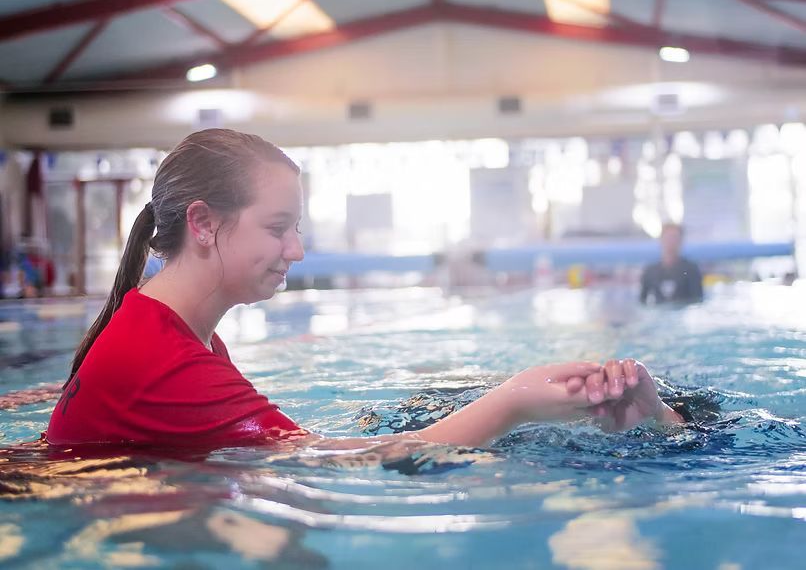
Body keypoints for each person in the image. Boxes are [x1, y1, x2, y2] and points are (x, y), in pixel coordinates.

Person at [47, 129, 681, 450]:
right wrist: (512, 401)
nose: (296, 250)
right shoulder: (162, 357)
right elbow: (340, 465)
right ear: (204, 224)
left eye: (296, 229)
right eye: (278, 228)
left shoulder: (169, 333)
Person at [639, 223, 704, 305]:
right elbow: (642, 302)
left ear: (681, 241)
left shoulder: (691, 270)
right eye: (668, 238)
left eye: (674, 238)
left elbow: (698, 301)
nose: (671, 242)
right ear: (661, 240)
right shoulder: (650, 271)